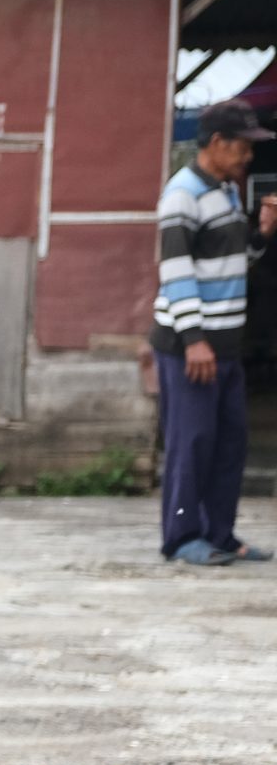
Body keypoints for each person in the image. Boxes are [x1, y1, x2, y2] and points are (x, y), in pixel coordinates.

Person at [152, 98, 277, 566]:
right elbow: (176, 269)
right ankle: (182, 537)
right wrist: (194, 340)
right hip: (190, 346)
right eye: (244, 146)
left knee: (229, 441)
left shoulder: (225, 190)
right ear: (218, 144)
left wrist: (262, 234)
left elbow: (233, 263)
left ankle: (220, 534)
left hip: (224, 346)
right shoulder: (181, 193)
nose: (249, 156)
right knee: (192, 441)